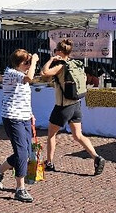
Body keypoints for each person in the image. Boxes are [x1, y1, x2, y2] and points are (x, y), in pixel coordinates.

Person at [39, 38, 105, 176]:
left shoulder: (61, 66)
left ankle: (49, 162)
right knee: (78, 135)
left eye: (56, 50)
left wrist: (51, 60)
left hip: (63, 106)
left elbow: (44, 73)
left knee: (51, 134)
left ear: (60, 52)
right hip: (76, 104)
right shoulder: (76, 64)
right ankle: (96, 157)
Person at [0, 49, 39, 203]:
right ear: (19, 64)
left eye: (30, 63)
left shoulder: (19, 75)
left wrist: (30, 113)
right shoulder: (11, 73)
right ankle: (20, 188)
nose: (29, 65)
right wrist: (35, 61)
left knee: (26, 151)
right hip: (12, 117)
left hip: (24, 117)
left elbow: (23, 95)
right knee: (21, 153)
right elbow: (30, 77)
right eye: (27, 63)